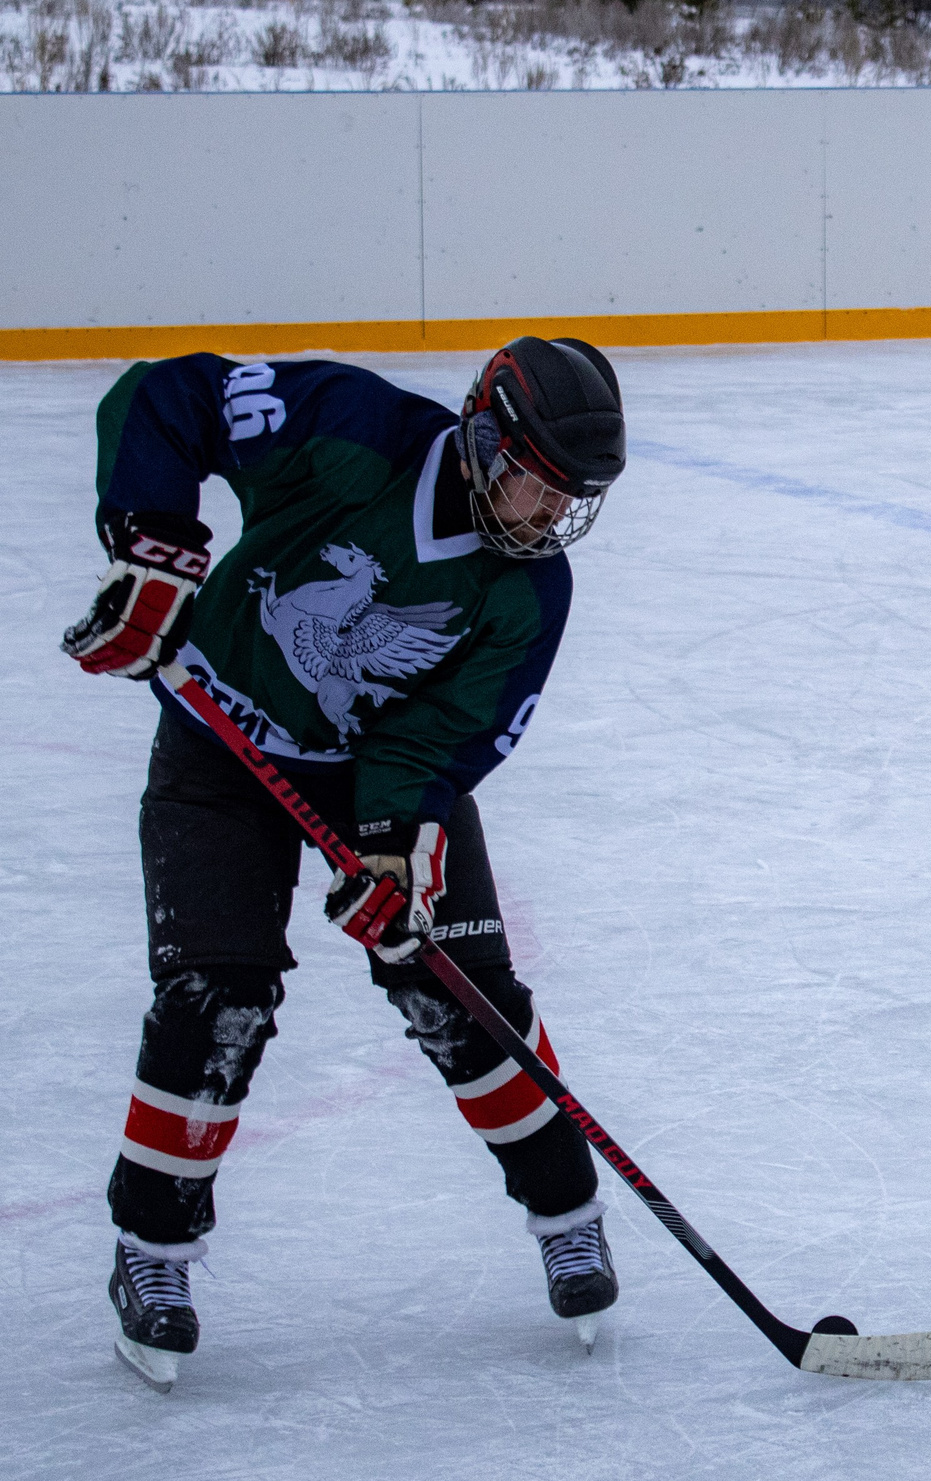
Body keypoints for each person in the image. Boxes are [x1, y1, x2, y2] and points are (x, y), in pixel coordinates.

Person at [62, 337, 627, 1391]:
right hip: (216, 749)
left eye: (570, 501)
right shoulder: (350, 428)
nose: (550, 518)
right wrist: (154, 550)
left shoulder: (529, 595)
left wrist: (394, 848)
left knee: (466, 997)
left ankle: (568, 1215)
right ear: (483, 438)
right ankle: (152, 1256)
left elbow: (439, 737)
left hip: (375, 777)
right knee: (211, 998)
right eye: (536, 486)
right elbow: (168, 395)